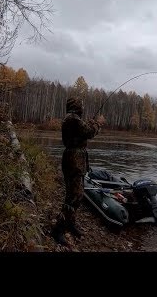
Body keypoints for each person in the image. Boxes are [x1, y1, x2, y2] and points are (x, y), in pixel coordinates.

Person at [52, 97, 105, 246]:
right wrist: (97, 123)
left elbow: (81, 131)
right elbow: (89, 132)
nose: (82, 106)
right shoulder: (73, 119)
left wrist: (89, 122)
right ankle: (58, 229)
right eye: (81, 105)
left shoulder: (72, 119)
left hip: (75, 160)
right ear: (76, 106)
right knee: (74, 196)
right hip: (74, 161)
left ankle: (70, 223)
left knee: (76, 194)